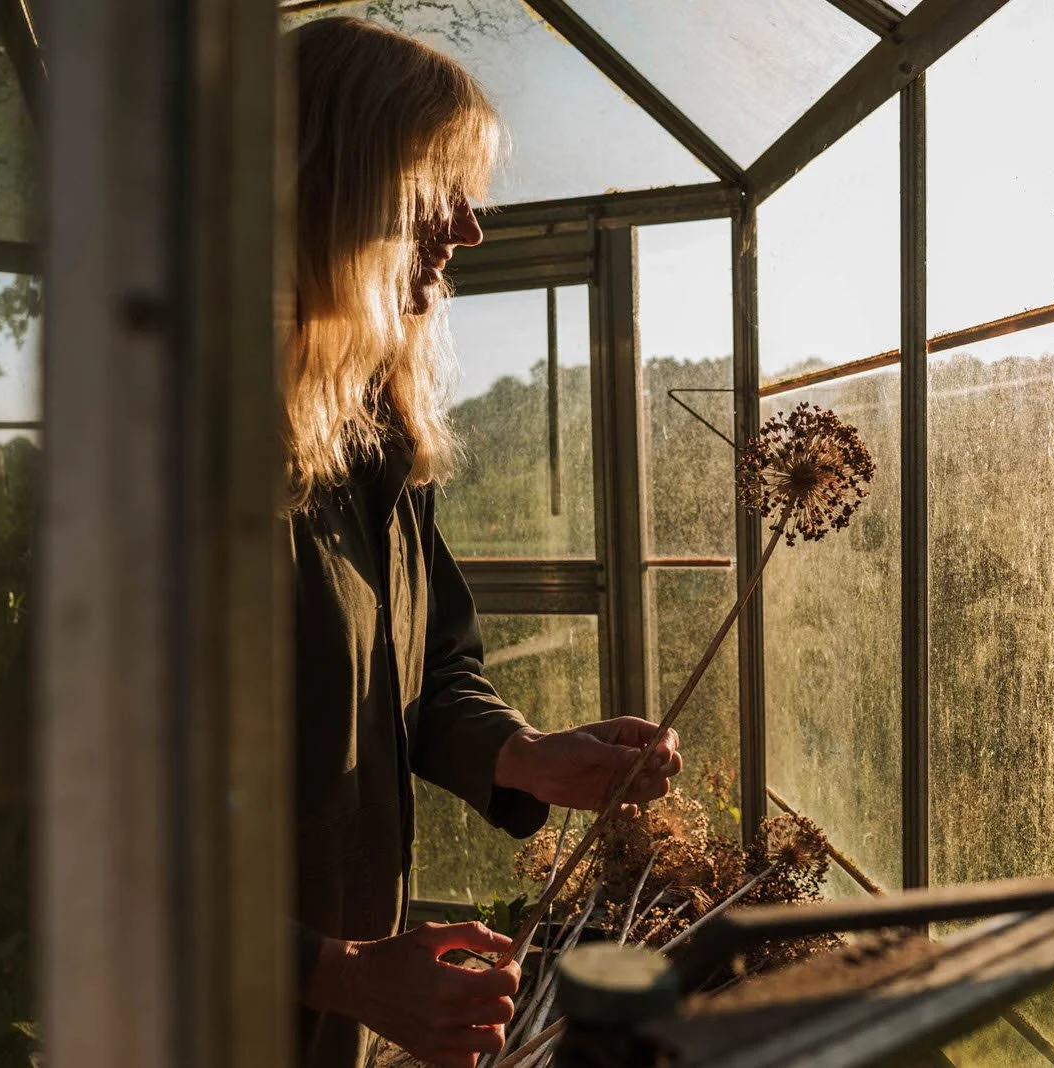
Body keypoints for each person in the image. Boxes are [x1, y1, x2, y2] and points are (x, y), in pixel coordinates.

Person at [285, 18, 682, 1068]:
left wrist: (523, 755)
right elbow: (56, 851)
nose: (466, 231)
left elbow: (429, 672)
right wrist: (330, 969)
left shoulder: (367, 441)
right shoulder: (169, 456)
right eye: (434, 187)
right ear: (326, 189)